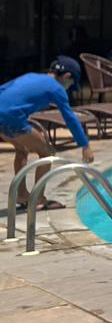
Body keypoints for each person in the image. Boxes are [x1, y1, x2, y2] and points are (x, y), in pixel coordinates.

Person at [0, 57, 94, 210]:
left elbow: (4, 89)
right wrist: (85, 145)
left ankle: (22, 195)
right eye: (71, 84)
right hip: (12, 118)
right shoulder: (57, 88)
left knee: (22, 150)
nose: (69, 88)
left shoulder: (32, 76)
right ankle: (38, 199)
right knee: (47, 153)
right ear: (67, 76)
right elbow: (70, 118)